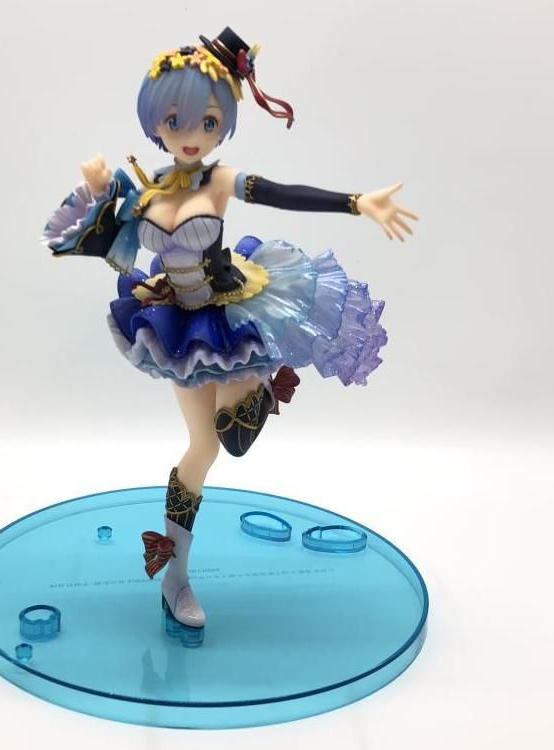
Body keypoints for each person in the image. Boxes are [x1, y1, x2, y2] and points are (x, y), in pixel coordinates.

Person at [41, 26, 419, 646]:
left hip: (228, 314)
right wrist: (95, 194)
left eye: (209, 121)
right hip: (179, 325)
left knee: (233, 435)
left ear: (224, 123)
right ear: (155, 122)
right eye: (176, 120)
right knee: (204, 449)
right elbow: (78, 243)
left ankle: (263, 382)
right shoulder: (142, 187)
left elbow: (280, 195)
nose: (192, 134)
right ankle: (175, 578)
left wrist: (356, 202)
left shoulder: (219, 181)